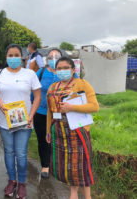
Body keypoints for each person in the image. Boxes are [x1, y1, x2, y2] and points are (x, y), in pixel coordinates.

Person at [0, 44, 42, 199]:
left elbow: (37, 96)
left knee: (21, 153)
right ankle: (12, 181)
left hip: (24, 121)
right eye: (10, 55)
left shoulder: (30, 74)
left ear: (22, 56)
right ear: (6, 57)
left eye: (16, 55)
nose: (13, 58)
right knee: (9, 152)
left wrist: (31, 115)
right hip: (5, 121)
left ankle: (22, 183)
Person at [46, 56, 99, 199]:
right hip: (59, 131)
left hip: (78, 131)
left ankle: (88, 197)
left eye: (65, 68)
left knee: (82, 167)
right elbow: (50, 112)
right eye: (59, 68)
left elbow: (94, 106)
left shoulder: (82, 84)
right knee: (69, 167)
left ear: (73, 69)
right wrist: (48, 131)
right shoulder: (53, 87)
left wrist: (72, 107)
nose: (62, 71)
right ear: (55, 71)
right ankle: (73, 194)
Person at [33, 48, 62, 178]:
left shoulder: (67, 72)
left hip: (61, 114)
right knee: (43, 140)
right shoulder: (41, 71)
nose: (54, 59)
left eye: (57, 56)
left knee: (60, 139)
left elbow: (77, 88)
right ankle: (45, 166)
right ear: (47, 59)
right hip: (41, 113)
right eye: (51, 57)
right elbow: (33, 92)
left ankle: (58, 165)